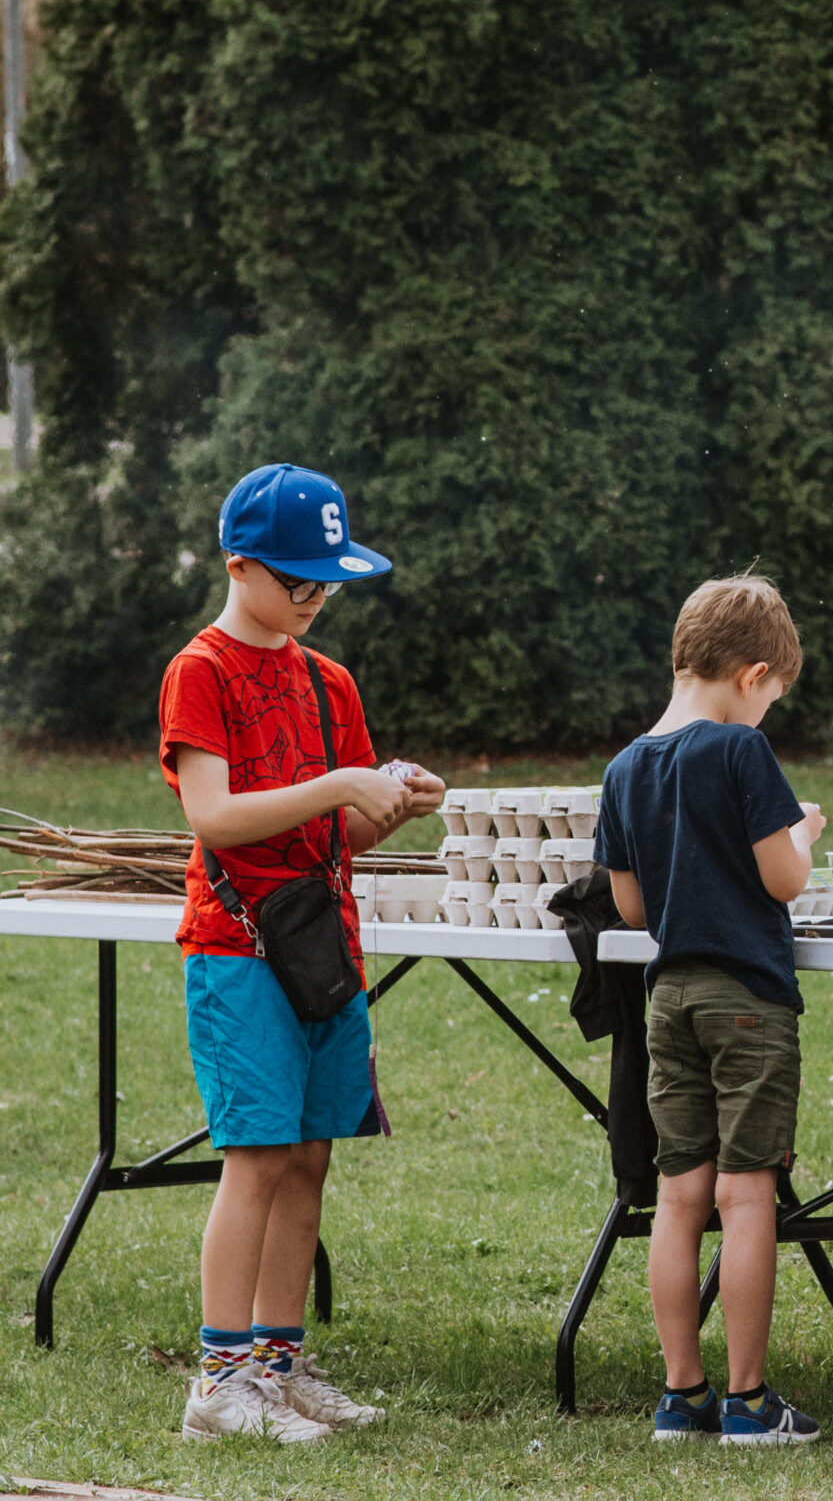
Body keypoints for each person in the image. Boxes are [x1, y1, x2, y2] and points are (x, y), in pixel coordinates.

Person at [162, 464, 445, 1442]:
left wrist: (388, 803)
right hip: (236, 950)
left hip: (325, 949)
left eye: (328, 582)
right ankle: (219, 1382)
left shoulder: (330, 682)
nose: (315, 598)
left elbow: (339, 834)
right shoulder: (200, 671)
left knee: (310, 1156)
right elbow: (213, 815)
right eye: (298, 581)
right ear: (238, 565)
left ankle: (276, 1367)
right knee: (258, 1155)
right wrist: (338, 784)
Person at [599, 574, 831, 1447]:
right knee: (745, 1195)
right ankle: (748, 1402)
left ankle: (680, 1394)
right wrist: (802, 831)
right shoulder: (741, 752)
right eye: (771, 697)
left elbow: (630, 906)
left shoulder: (625, 766)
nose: (766, 713)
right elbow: (784, 879)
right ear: (752, 674)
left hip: (670, 1002)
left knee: (679, 1194)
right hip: (748, 1001)